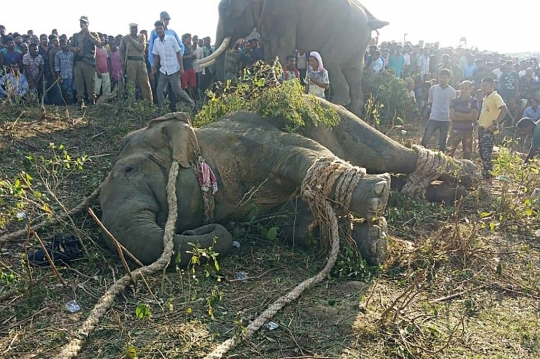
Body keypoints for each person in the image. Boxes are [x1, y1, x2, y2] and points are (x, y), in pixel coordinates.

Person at [151, 21, 195, 112]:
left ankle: (192, 104)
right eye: (157, 29)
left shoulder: (171, 39)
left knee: (177, 90)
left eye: (160, 28)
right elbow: (156, 56)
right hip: (163, 70)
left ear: (164, 29)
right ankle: (162, 109)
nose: (158, 30)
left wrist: (181, 67)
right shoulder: (156, 42)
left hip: (174, 69)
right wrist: (153, 69)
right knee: (159, 91)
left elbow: (179, 53)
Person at [477, 77, 508, 184]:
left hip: (488, 130)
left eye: (485, 86)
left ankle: (488, 178)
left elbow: (504, 109)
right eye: (482, 86)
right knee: (482, 152)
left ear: (491, 86)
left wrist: (495, 123)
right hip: (481, 129)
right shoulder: (486, 98)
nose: (483, 88)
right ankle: (485, 175)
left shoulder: (495, 96)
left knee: (486, 153)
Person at [420, 68, 457, 152]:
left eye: (444, 78)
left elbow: (452, 106)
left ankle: (441, 159)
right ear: (438, 77)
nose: (442, 80)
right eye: (441, 77)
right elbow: (430, 102)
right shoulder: (433, 89)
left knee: (442, 143)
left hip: (445, 119)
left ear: (449, 78)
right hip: (434, 117)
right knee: (425, 139)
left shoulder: (452, 91)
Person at [70, 16, 103, 108]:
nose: (82, 24)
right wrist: (74, 49)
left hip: (88, 62)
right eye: (81, 22)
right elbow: (70, 46)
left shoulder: (93, 34)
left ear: (88, 24)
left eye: (84, 22)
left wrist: (89, 35)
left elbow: (99, 44)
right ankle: (80, 101)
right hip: (78, 61)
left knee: (90, 82)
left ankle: (92, 100)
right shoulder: (76, 35)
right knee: (78, 82)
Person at [119, 23, 153, 101]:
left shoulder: (142, 37)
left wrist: (132, 40)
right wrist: (122, 61)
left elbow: (141, 48)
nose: (134, 29)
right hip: (130, 61)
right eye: (132, 28)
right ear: (129, 29)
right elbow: (121, 50)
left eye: (135, 28)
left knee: (145, 82)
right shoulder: (125, 38)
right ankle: (131, 101)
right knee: (131, 83)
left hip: (141, 61)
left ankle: (148, 102)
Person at [447, 80, 479, 159]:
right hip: (455, 130)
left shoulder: (474, 101)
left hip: (468, 131)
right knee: (448, 151)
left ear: (471, 89)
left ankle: (466, 170)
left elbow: (473, 116)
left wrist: (459, 114)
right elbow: (452, 116)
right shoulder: (454, 101)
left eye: (466, 88)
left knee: (467, 153)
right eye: (462, 88)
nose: (463, 90)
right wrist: (466, 116)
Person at [54, 39, 75, 104]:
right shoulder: (58, 54)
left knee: (71, 90)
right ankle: (66, 104)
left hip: (71, 75)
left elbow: (74, 64)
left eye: (65, 44)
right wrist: (59, 76)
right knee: (64, 90)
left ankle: (71, 104)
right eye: (62, 44)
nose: (63, 46)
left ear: (67, 44)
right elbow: (57, 66)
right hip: (63, 75)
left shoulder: (72, 54)